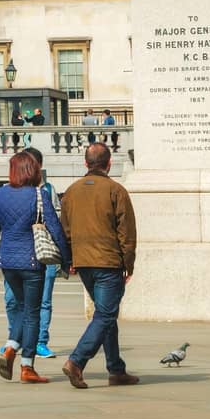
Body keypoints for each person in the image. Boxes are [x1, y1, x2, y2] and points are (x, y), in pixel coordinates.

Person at [0, 150, 70, 383]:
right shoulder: (39, 194)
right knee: (32, 313)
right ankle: (26, 365)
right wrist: (67, 259)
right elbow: (55, 229)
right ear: (33, 171)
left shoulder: (0, 195)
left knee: (21, 308)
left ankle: (11, 346)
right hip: (32, 262)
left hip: (8, 262)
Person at [61, 143, 140, 388]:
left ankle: (116, 369)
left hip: (83, 261)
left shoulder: (71, 192)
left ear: (86, 163)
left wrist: (71, 259)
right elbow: (126, 232)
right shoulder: (116, 190)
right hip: (108, 261)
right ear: (108, 164)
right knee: (105, 314)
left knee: (106, 315)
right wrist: (129, 263)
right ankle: (77, 360)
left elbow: (66, 229)